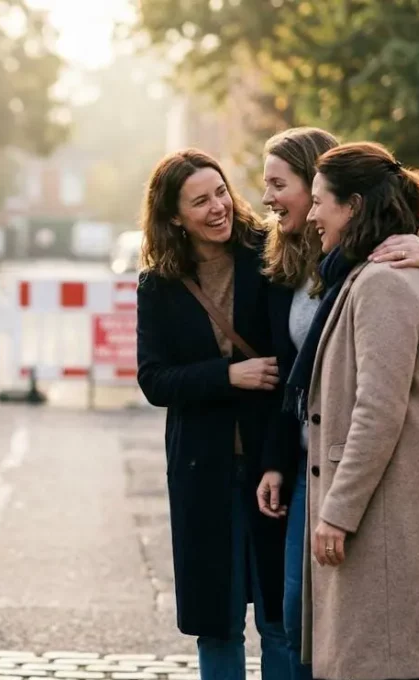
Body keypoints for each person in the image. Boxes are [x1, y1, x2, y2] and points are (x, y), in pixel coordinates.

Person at [253, 127, 419, 680]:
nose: (312, 215)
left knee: (390, 662)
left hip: (384, 510)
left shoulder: (384, 280)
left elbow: (376, 412)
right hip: (390, 505)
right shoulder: (390, 270)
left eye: (318, 202)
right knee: (409, 662)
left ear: (352, 206)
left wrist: (336, 512)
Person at [134, 149, 290, 680]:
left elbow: (292, 363)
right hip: (203, 471)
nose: (218, 207)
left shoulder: (268, 255)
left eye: (220, 191)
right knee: (218, 624)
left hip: (273, 461)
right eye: (200, 201)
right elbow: (153, 379)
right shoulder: (159, 283)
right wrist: (228, 375)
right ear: (174, 216)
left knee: (281, 619)